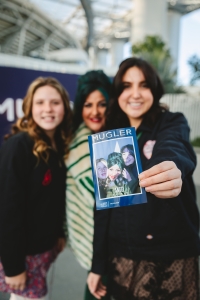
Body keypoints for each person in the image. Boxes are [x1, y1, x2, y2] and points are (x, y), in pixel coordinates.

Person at [87, 57, 200, 300]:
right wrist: (97, 265)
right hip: (125, 252)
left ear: (155, 90)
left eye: (144, 85)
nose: (135, 94)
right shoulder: (108, 138)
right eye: (126, 86)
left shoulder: (172, 122)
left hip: (174, 250)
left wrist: (172, 167)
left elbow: (175, 146)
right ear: (117, 92)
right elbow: (103, 208)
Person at [0, 77, 73, 300]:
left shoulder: (58, 145)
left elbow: (52, 200)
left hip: (43, 251)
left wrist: (59, 233)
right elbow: (7, 211)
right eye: (40, 103)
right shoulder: (19, 145)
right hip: (23, 257)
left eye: (55, 102)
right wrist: (13, 267)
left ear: (64, 107)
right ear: (30, 108)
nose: (48, 109)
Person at [65, 70, 111, 300]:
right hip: (97, 247)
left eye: (102, 104)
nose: (95, 112)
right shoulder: (73, 144)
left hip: (125, 243)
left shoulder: (117, 142)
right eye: (87, 104)